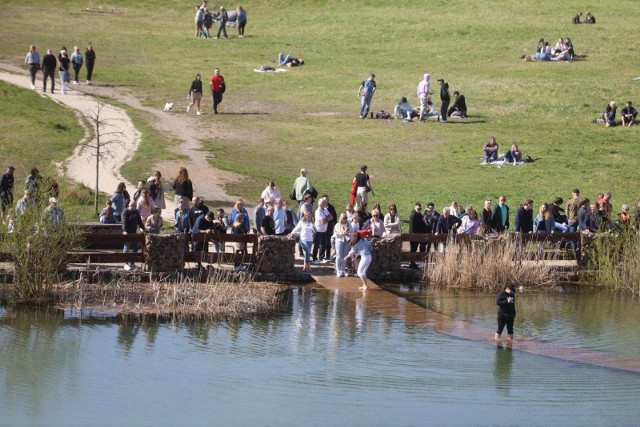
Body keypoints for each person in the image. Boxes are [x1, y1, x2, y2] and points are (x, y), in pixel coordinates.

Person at [122, 200, 145, 270]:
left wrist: (143, 228)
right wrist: (125, 230)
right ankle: (125, 263)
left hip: (134, 232)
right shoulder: (125, 212)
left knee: (136, 248)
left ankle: (132, 263)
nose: (136, 207)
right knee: (126, 248)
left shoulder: (136, 212)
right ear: (130, 205)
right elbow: (124, 222)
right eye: (135, 206)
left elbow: (139, 221)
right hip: (127, 233)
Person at [312, 197, 333, 263]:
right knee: (317, 245)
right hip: (318, 230)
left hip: (324, 230)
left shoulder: (325, 209)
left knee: (323, 244)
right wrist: (327, 219)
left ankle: (321, 257)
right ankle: (314, 258)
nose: (326, 204)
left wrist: (326, 219)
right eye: (324, 203)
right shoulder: (318, 212)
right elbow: (322, 221)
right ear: (321, 204)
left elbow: (331, 216)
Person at [332, 213, 352, 277]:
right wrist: (342, 233)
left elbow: (352, 232)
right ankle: (338, 269)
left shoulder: (349, 225)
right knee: (338, 255)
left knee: (345, 255)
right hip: (339, 241)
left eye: (346, 218)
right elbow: (335, 235)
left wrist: (348, 233)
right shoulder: (337, 225)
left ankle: (343, 269)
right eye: (344, 218)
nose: (345, 219)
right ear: (341, 218)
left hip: (346, 241)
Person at [408, 203, 427, 268]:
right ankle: (412, 263)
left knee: (422, 248)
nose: (419, 210)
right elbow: (412, 227)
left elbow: (422, 225)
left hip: (419, 235)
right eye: (418, 209)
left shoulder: (420, 215)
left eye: (420, 209)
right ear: (415, 208)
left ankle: (419, 262)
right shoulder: (413, 216)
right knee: (413, 249)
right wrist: (413, 236)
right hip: (414, 236)